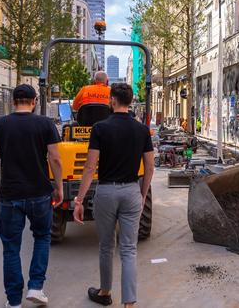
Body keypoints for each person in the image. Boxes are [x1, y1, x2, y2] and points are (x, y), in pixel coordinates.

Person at [73, 83, 155, 308]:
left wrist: (79, 199)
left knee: (106, 245)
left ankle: (105, 292)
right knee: (129, 249)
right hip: (131, 191)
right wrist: (142, 193)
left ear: (112, 101)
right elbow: (149, 166)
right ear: (130, 102)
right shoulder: (141, 129)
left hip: (106, 191)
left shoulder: (100, 128)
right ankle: (129, 304)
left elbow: (90, 168)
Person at [0, 84, 63, 308]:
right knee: (42, 237)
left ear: (13, 101)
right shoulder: (45, 124)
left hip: (10, 195)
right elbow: (55, 159)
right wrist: (58, 186)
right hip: (39, 193)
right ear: (34, 101)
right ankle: (36, 287)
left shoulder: (0, 125)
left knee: (11, 248)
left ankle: (14, 301)